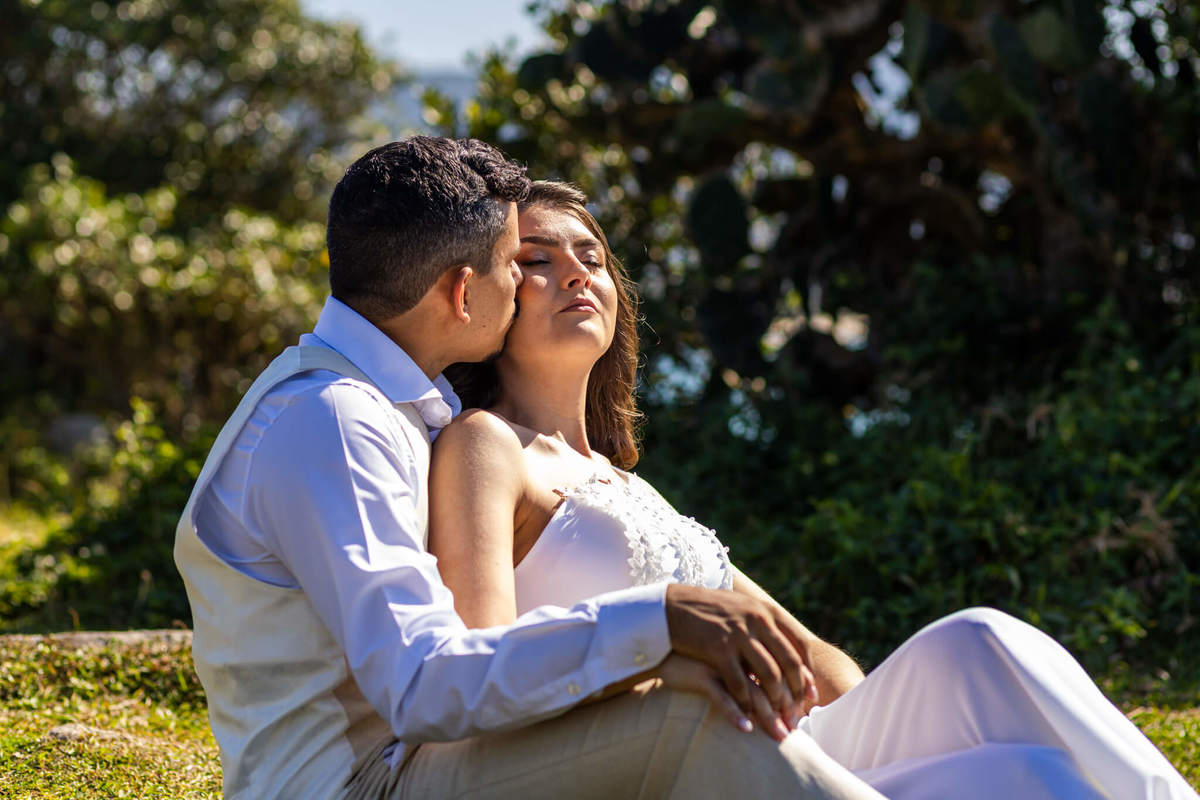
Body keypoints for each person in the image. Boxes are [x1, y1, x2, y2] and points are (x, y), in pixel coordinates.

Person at [429, 180, 1200, 800]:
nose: (575, 272)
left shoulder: (626, 483)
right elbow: (480, 669)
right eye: (535, 259)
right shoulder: (485, 446)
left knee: (980, 649)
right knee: (1022, 771)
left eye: (592, 256)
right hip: (672, 765)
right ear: (487, 294)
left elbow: (812, 657)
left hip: (788, 751)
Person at [173, 136, 885, 799]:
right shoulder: (332, 420)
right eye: (518, 264)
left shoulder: (382, 406)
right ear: (461, 293)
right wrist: (658, 620)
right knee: (684, 719)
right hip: (356, 786)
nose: (525, 283)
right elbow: (423, 682)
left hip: (415, 765)